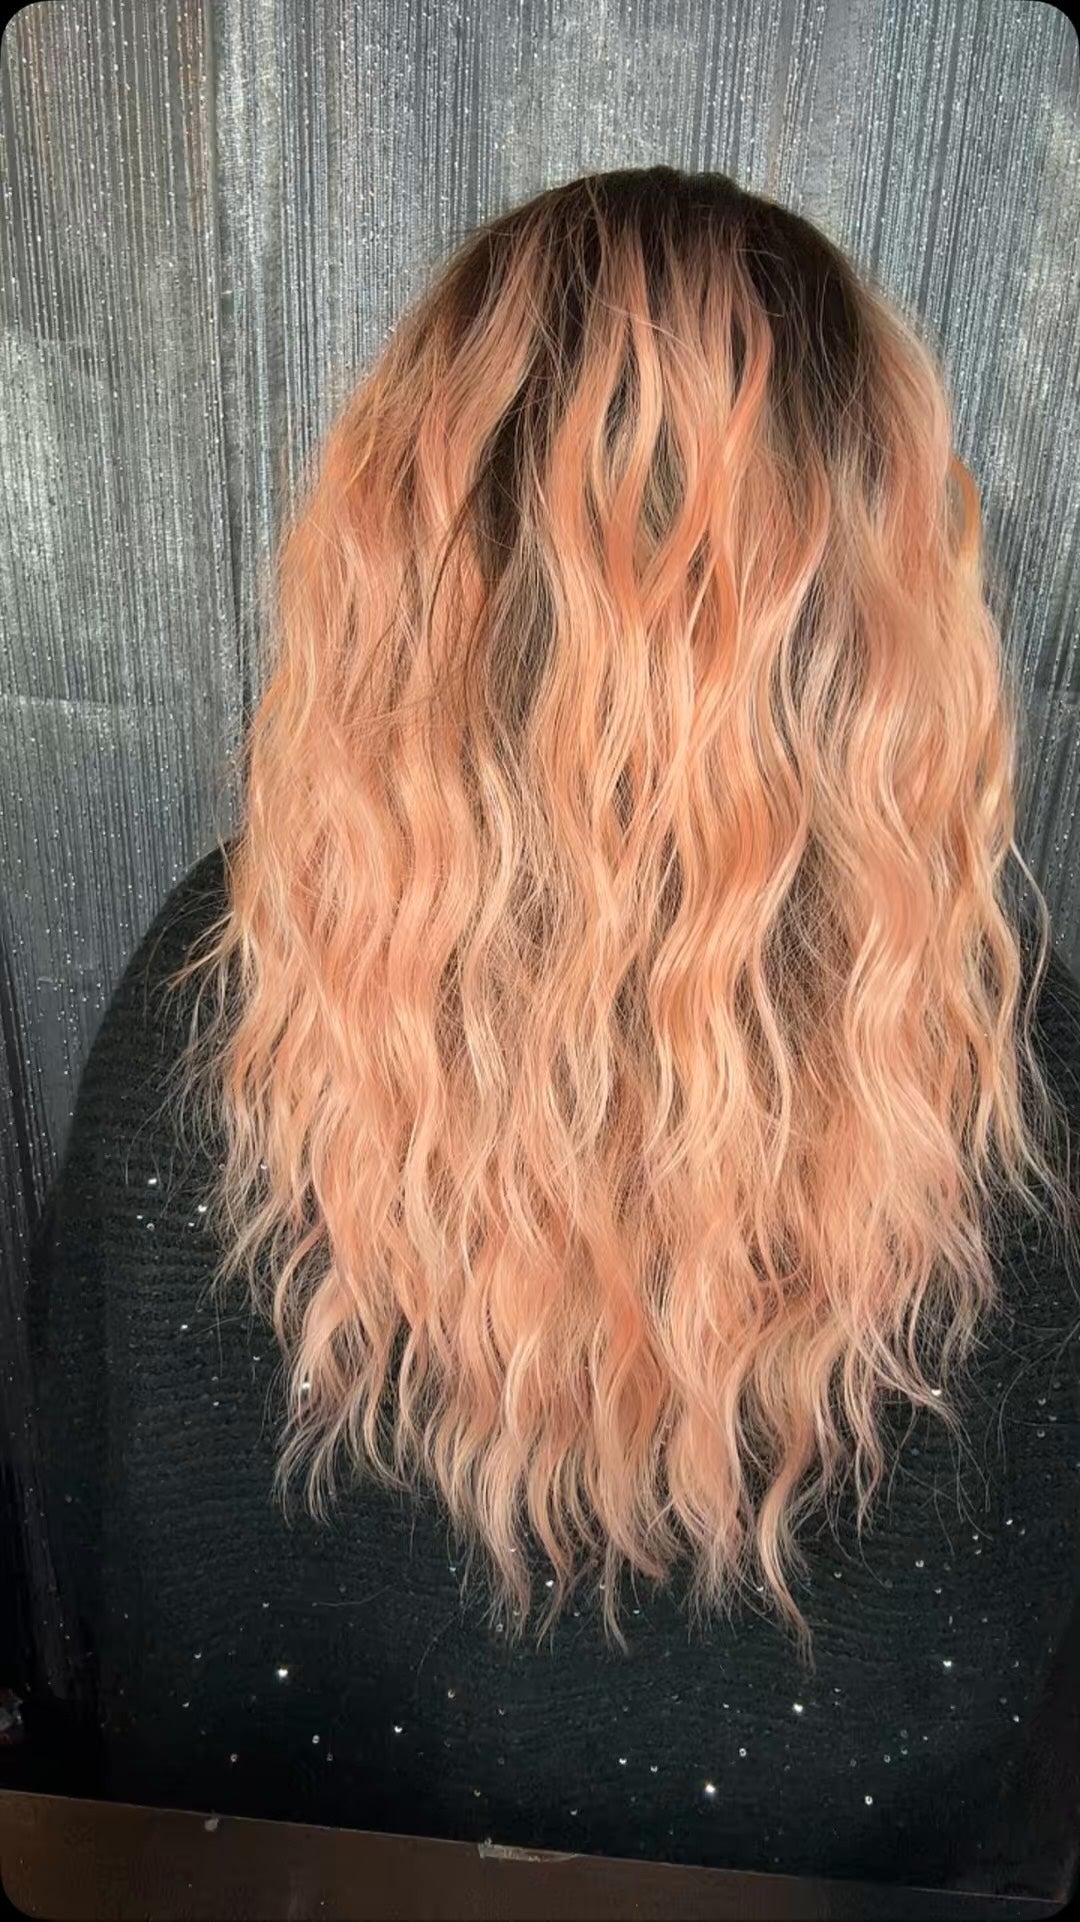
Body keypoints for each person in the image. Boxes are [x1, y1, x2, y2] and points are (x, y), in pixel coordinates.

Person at [29, 165, 1080, 1893]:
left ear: (404, 568)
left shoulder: (208, 996)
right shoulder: (1023, 1085)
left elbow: (76, 1576)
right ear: (886, 601)